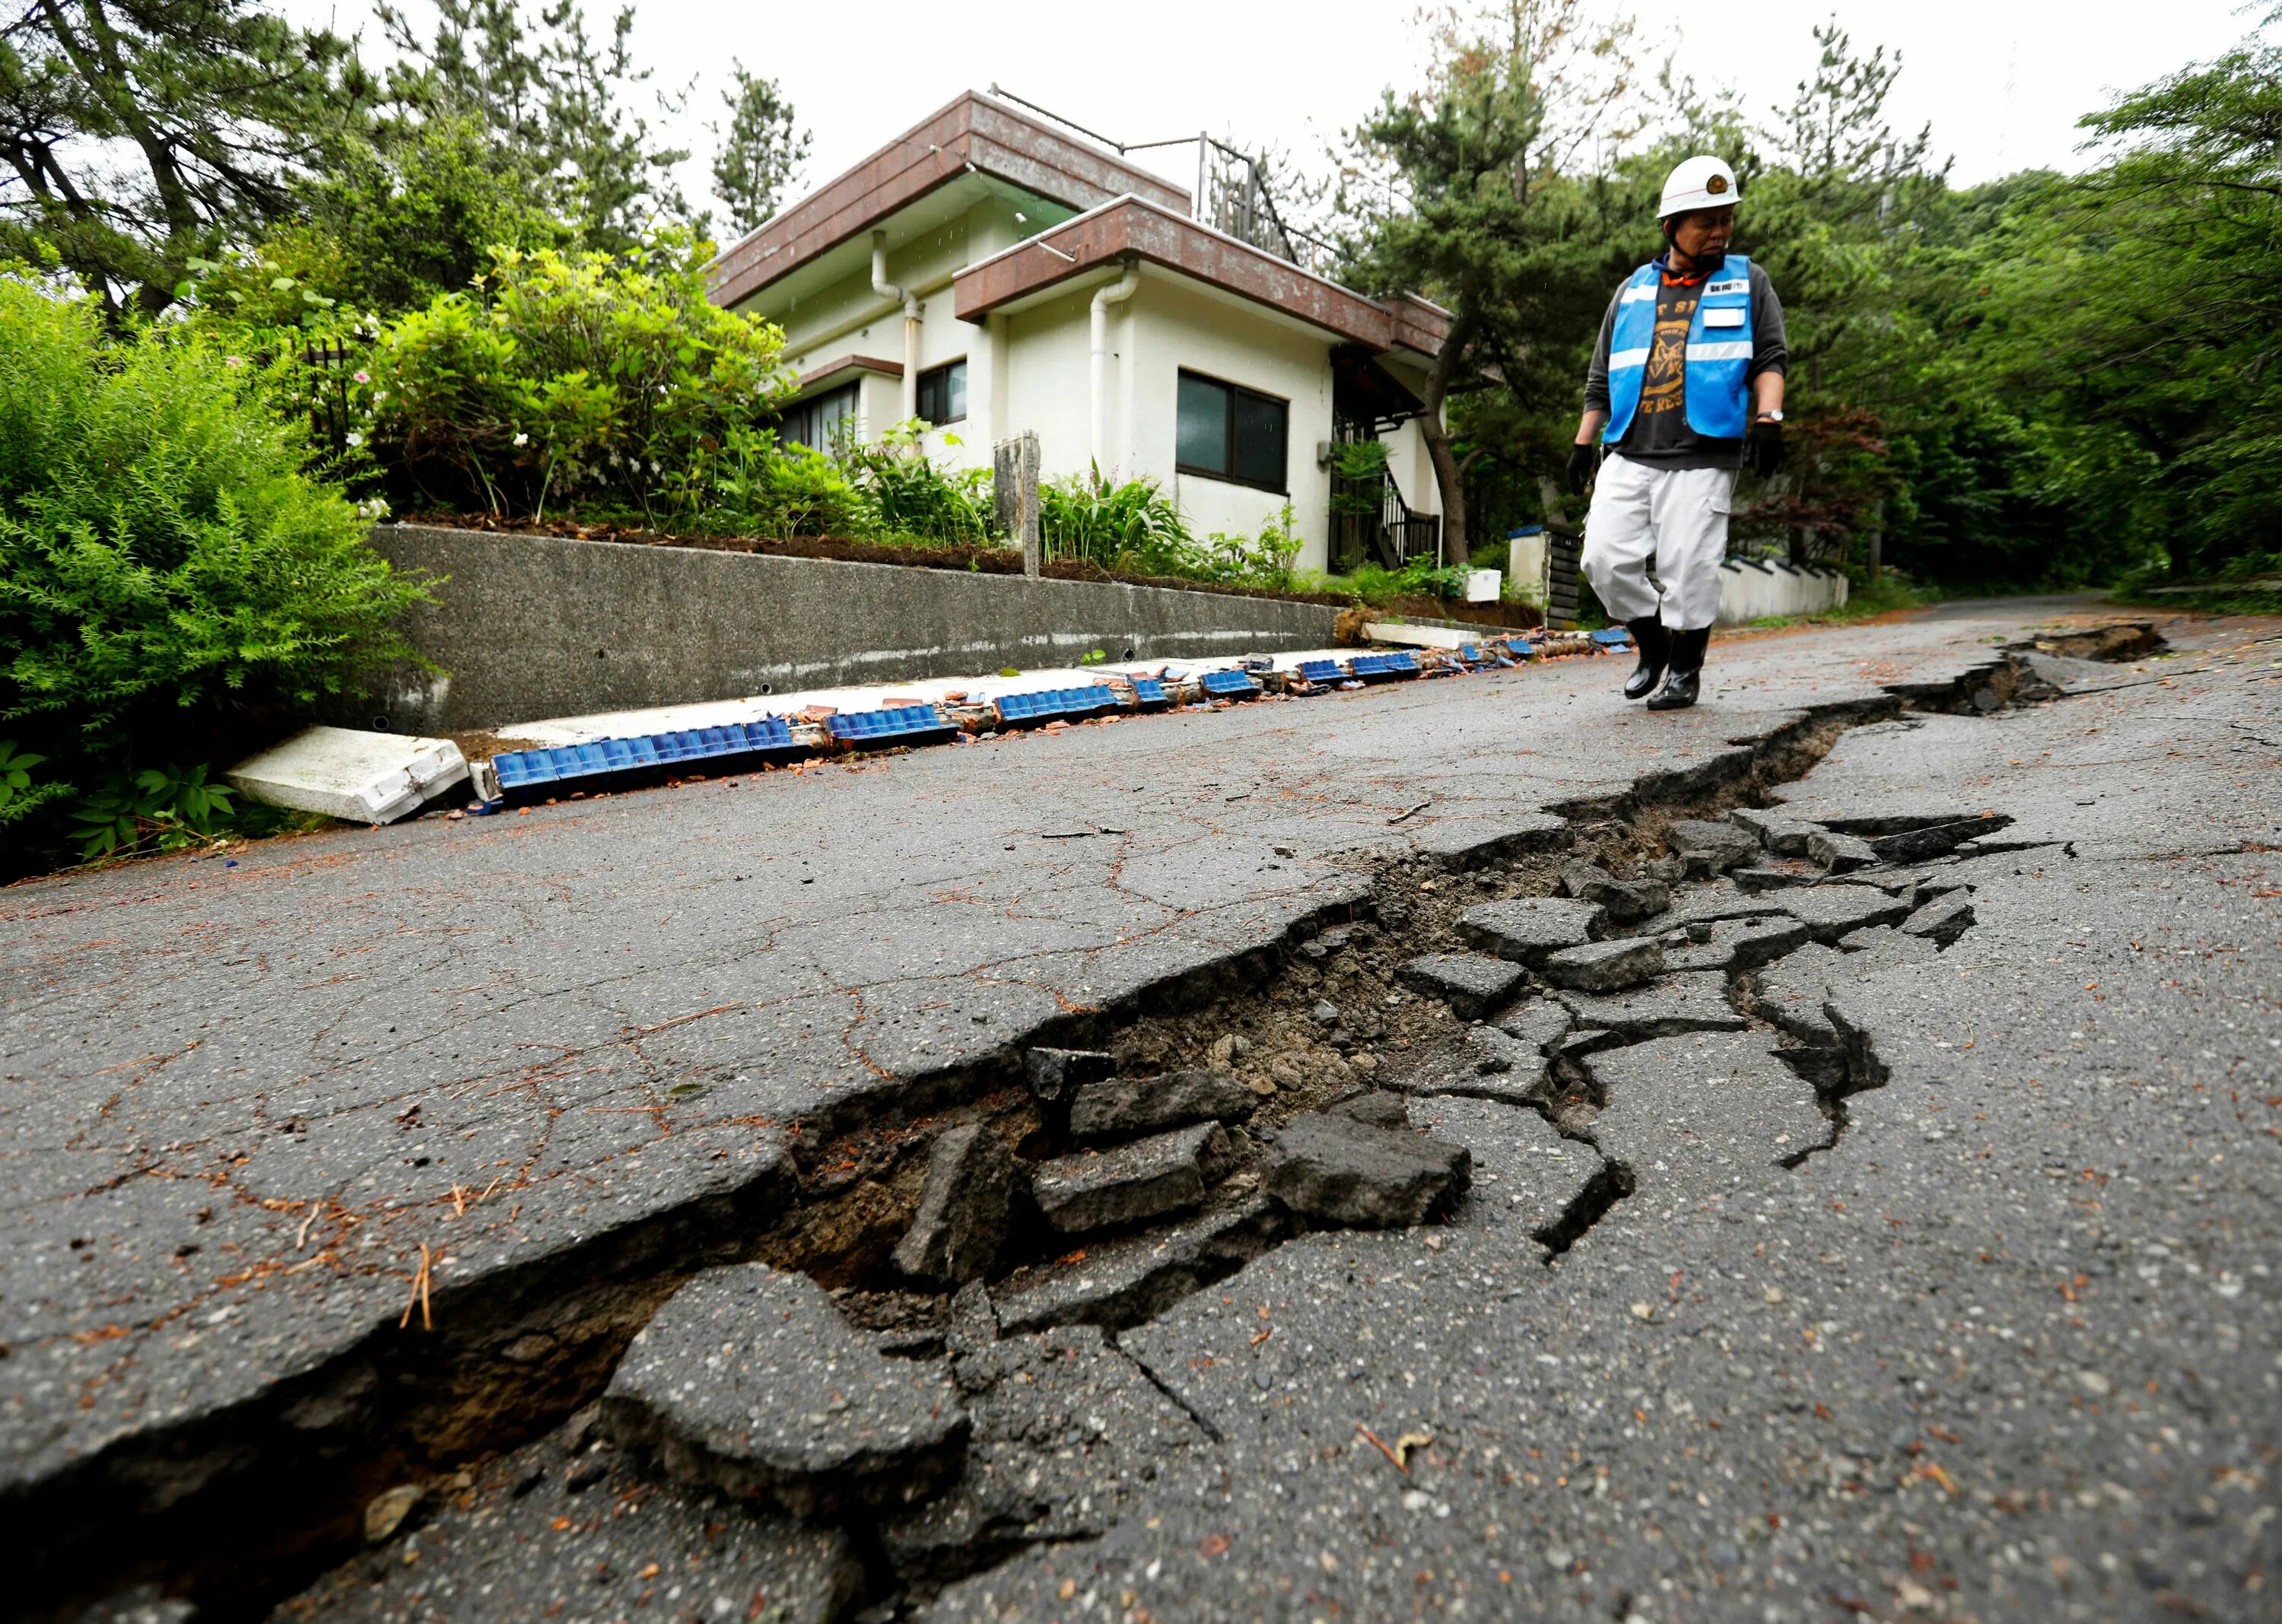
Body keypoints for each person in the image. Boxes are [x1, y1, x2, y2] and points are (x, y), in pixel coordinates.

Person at [1565, 155, 1789, 710]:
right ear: (1671, 227)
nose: (1719, 232)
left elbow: (1771, 356)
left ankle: (1685, 670)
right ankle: (1654, 644)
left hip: (1703, 451)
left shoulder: (1748, 281)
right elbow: (1600, 379)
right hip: (1630, 448)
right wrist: (1581, 444)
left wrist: (1769, 418)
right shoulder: (1633, 291)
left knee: (1689, 564)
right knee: (1603, 558)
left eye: (1726, 219)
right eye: (1706, 222)